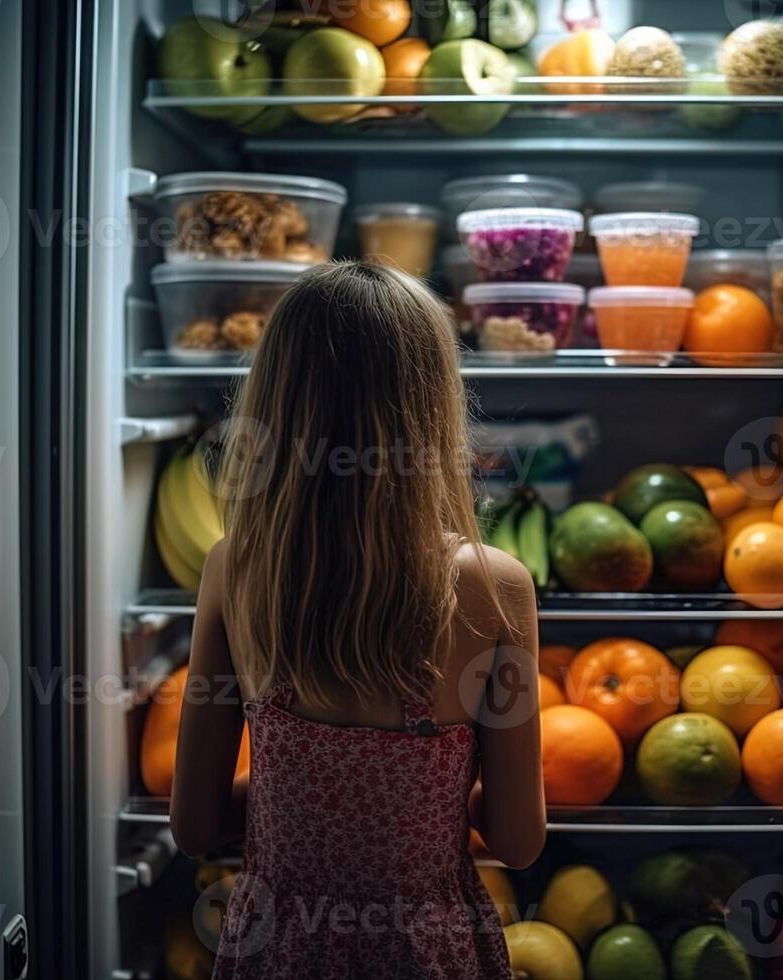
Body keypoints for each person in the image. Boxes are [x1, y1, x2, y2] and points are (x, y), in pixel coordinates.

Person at [171, 260, 544, 979]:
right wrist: (416, 798)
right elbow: (518, 841)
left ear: (273, 403)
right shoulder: (496, 586)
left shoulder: (234, 567)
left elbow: (194, 825)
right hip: (424, 951)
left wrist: (303, 788)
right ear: (434, 408)